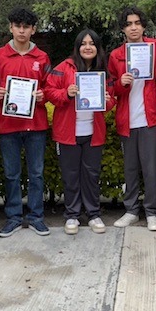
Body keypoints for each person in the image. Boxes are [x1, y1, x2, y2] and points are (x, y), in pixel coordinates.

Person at [0, 7, 51, 237]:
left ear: (33, 30)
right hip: (8, 125)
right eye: (17, 26)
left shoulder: (42, 57)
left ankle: (36, 217)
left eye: (26, 27)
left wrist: (42, 95)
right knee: (11, 174)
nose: (22, 31)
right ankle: (13, 217)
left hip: (36, 125)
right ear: (10, 28)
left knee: (36, 173)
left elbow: (50, 87)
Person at [45, 29, 115, 235]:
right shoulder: (63, 67)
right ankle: (72, 215)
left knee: (91, 175)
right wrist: (66, 93)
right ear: (77, 47)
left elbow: (111, 100)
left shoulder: (103, 71)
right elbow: (49, 92)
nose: (88, 47)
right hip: (68, 132)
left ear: (98, 48)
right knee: (71, 175)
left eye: (92, 43)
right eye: (83, 44)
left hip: (94, 132)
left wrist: (108, 101)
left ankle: (93, 214)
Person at [107, 7, 156, 231]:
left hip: (151, 118)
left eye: (137, 23)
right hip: (127, 120)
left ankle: (152, 212)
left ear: (143, 26)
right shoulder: (116, 55)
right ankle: (131, 210)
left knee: (151, 169)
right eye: (129, 24)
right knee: (130, 169)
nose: (133, 28)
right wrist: (120, 83)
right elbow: (111, 88)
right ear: (123, 29)